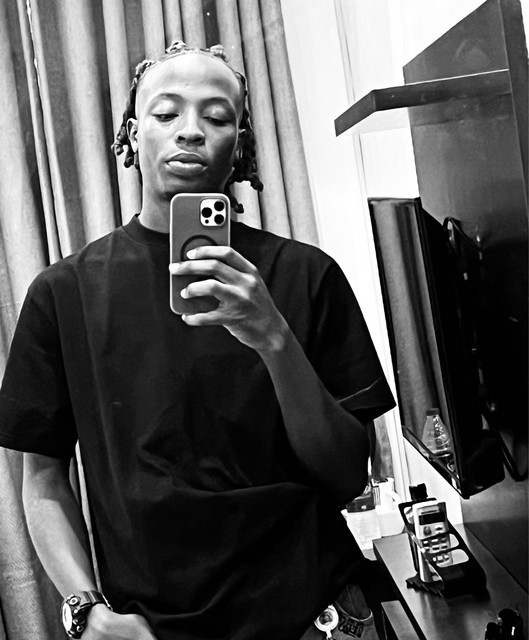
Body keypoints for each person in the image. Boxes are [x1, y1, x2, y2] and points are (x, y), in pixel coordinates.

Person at [0, 42, 395, 640]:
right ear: (132, 135)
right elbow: (43, 481)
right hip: (150, 629)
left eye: (216, 117)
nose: (190, 131)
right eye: (166, 113)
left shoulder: (305, 275)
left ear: (240, 145)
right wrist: (88, 613)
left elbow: (347, 477)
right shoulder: (63, 293)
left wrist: (274, 338)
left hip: (316, 616)